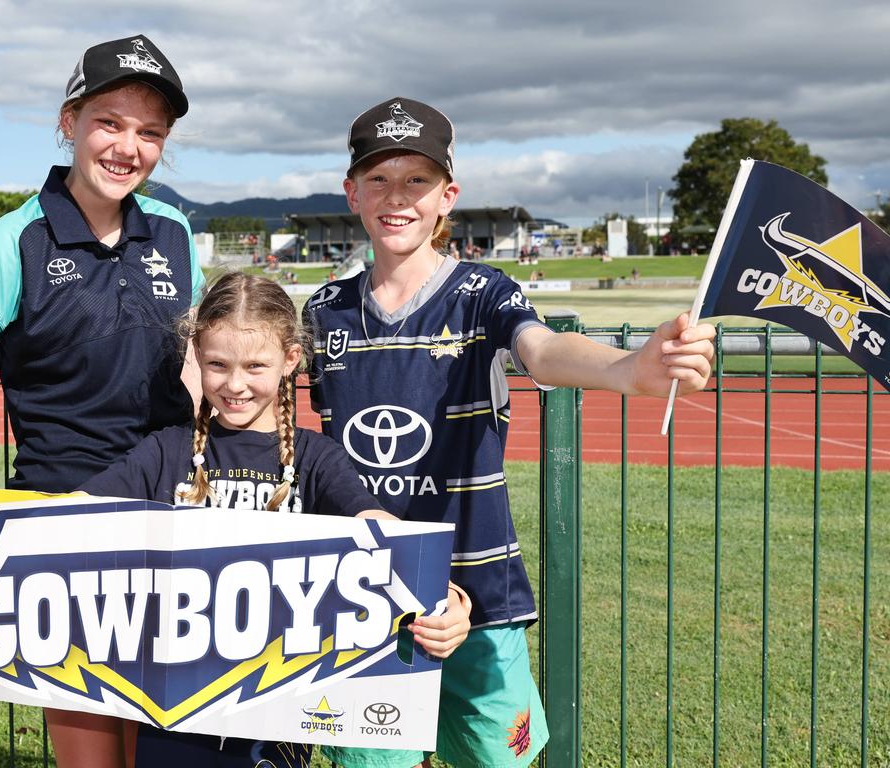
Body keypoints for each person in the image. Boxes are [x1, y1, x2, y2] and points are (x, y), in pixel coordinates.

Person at [0, 271, 472, 767]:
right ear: (195, 356)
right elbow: (64, 522)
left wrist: (441, 598)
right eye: (218, 364)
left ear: (291, 361)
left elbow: (378, 528)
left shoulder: (316, 459)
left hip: (273, 724)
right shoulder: (164, 453)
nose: (235, 384)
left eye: (256, 366)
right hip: (169, 722)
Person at [304, 96, 715, 768]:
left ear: (448, 196)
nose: (396, 197)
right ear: (351, 193)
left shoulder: (483, 293)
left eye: (417, 181)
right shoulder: (324, 312)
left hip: (481, 598)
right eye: (378, 179)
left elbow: (545, 351)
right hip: (367, 593)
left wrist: (631, 368)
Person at [0, 34, 204, 768]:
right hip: (59, 517)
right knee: (89, 735)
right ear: (69, 122)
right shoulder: (15, 238)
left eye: (150, 132)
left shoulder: (176, 230)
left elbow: (194, 368)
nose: (128, 146)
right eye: (110, 122)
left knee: (170, 735)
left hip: (170, 512)